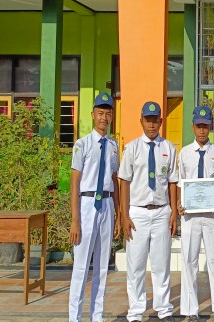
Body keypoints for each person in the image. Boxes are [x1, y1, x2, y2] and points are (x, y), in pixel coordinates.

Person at [119, 101, 178, 322]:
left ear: (161, 121)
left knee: (161, 264)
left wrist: (173, 212)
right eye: (148, 120)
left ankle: (164, 310)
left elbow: (172, 182)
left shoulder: (169, 148)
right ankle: (135, 312)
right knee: (136, 265)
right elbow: (124, 182)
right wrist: (124, 216)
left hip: (161, 211)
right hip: (138, 213)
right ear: (141, 121)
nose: (151, 125)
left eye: (155, 120)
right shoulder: (132, 148)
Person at [177, 106, 214, 322]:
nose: (202, 130)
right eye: (198, 126)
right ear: (192, 126)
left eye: (205, 126)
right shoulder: (184, 153)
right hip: (190, 215)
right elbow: (181, 182)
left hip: (211, 214)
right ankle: (191, 310)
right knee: (189, 260)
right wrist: (179, 203)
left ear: (210, 127)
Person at [68, 92, 120, 322]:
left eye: (107, 114)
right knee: (81, 266)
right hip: (87, 203)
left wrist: (118, 214)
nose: (104, 118)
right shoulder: (82, 144)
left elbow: (115, 180)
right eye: (100, 113)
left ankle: (96, 316)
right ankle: (75, 317)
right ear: (92, 115)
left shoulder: (113, 145)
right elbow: (75, 183)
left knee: (101, 266)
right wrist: (75, 220)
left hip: (106, 204)